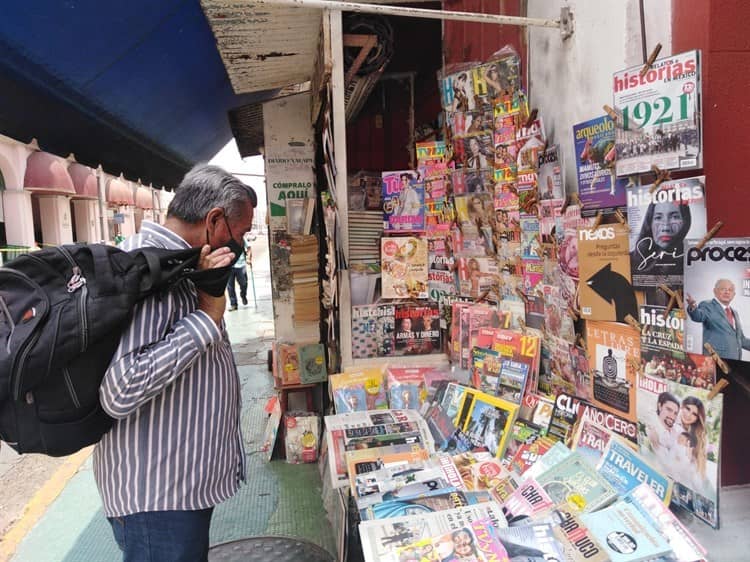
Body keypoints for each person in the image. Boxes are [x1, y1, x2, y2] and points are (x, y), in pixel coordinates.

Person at [94, 164, 257, 561]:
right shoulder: (149, 270)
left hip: (175, 488)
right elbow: (121, 387)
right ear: (214, 220)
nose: (241, 245)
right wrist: (204, 320)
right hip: (157, 498)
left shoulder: (182, 265)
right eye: (241, 234)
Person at [687, 278, 750, 360]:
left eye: (730, 290)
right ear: (715, 291)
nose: (727, 292)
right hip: (715, 360)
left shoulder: (735, 313)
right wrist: (693, 307)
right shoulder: (707, 305)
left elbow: (741, 339)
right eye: (723, 289)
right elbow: (698, 316)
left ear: (734, 294)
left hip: (735, 361)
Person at [631, 200, 692, 279]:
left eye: (675, 217)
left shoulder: (693, 260)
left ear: (685, 221)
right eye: (658, 218)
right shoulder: (631, 260)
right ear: (650, 222)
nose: (665, 228)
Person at [646, 391, 679, 463]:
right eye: (669, 410)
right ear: (660, 406)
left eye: (675, 413)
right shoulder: (652, 430)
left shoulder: (676, 430)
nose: (672, 416)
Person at [226, 236, 251, 310]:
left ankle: (243, 295)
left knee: (244, 284)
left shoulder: (241, 238)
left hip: (241, 265)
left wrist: (249, 258)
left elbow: (249, 248)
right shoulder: (225, 238)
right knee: (230, 286)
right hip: (229, 266)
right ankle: (234, 304)